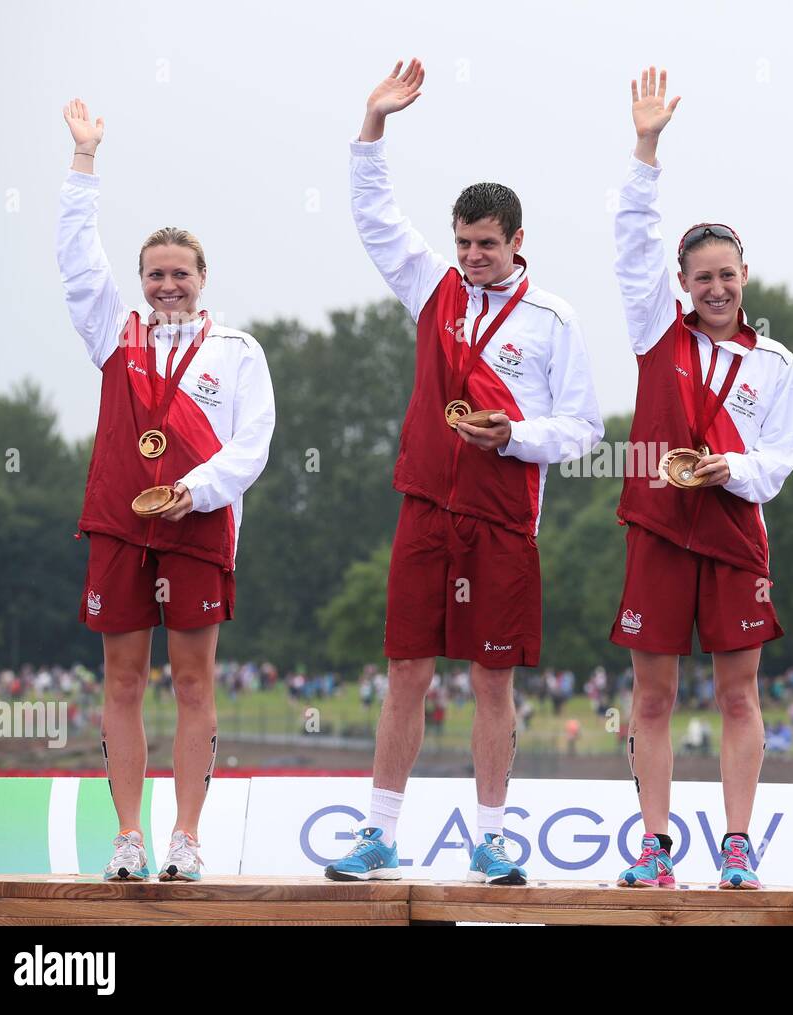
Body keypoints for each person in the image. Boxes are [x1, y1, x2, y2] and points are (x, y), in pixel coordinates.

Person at [326, 60, 603, 886]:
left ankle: (490, 837)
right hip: (423, 505)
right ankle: (378, 834)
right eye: (464, 243)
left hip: (503, 518)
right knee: (406, 670)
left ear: (519, 242)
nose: (474, 257)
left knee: (492, 679)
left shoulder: (555, 319)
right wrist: (372, 127)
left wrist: (512, 434)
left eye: (488, 244)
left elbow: (584, 430)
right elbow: (374, 217)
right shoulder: (431, 287)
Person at [57, 98, 276, 882]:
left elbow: (252, 445)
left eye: (180, 272)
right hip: (120, 524)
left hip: (198, 528)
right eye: (155, 273)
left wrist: (199, 488)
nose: (167, 284)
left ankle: (185, 834)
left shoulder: (237, 350)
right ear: (142, 279)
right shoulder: (113, 331)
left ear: (203, 277)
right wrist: (85, 162)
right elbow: (78, 259)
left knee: (191, 679)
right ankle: (127, 834)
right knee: (121, 678)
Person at [610, 68, 793, 890]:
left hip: (732, 534)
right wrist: (646, 148)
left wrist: (733, 467)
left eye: (728, 274)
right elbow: (630, 237)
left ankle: (735, 841)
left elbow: (782, 459)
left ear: (746, 275)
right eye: (702, 277)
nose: (716, 287)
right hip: (659, 526)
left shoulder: (775, 360)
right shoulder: (658, 331)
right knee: (651, 697)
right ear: (682, 285)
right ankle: (655, 846)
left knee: (737, 694)